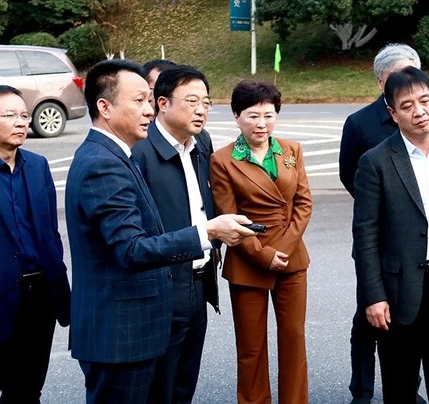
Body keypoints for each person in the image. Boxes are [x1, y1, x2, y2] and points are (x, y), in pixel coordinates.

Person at [65, 59, 255, 403]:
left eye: (148, 100)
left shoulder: (115, 155)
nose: (149, 111)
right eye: (139, 101)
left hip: (139, 322)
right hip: (121, 333)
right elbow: (131, 249)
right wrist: (207, 232)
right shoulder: (103, 163)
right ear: (105, 107)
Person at [352, 66, 429, 404]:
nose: (419, 111)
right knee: (401, 385)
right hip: (398, 290)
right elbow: (365, 237)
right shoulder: (376, 161)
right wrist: (374, 297)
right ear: (393, 113)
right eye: (407, 105)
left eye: (425, 101)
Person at [338, 42, 429, 404]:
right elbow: (349, 176)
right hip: (382, 240)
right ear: (380, 81)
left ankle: (411, 389)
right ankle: (362, 390)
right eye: (398, 76)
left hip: (424, 242)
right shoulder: (359, 123)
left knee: (416, 319)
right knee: (370, 315)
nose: (407, 83)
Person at [210, 79, 313, 404]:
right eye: (253, 116)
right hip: (248, 261)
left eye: (269, 115)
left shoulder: (291, 150)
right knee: (251, 347)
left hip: (291, 259)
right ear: (236, 116)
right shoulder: (223, 160)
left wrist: (281, 250)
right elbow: (228, 216)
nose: (261, 123)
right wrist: (264, 255)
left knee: (294, 339)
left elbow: (303, 204)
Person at [0, 85, 71, 403]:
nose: (21, 122)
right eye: (9, 115)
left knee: (27, 393)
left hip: (38, 302)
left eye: (24, 115)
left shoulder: (38, 166)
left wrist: (60, 294)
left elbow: (50, 235)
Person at [131, 65, 218, 404]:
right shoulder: (139, 150)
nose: (201, 110)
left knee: (185, 382)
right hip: (161, 286)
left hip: (199, 280)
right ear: (162, 103)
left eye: (206, 102)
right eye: (192, 101)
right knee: (159, 386)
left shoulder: (202, 142)